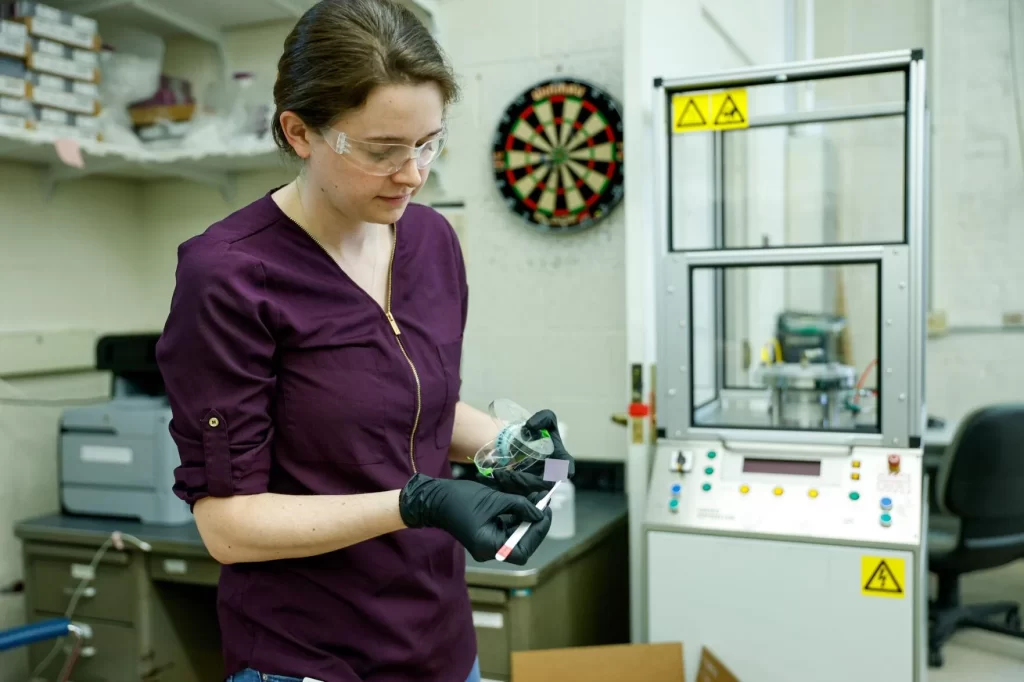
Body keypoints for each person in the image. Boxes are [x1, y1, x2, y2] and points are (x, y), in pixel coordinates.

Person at [153, 1, 575, 681]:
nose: (412, 174)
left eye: (429, 143)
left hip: (438, 644)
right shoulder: (230, 276)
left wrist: (509, 445)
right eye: (382, 151)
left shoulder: (432, 241)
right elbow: (228, 529)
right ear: (299, 133)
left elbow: (414, 407)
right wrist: (418, 501)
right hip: (309, 657)